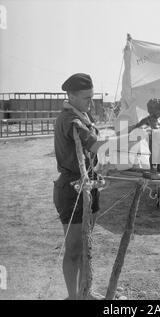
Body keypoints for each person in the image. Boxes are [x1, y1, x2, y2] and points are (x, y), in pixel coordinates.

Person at [53, 73, 108, 300]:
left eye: (92, 97)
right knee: (74, 249)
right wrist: (130, 140)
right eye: (87, 98)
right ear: (71, 96)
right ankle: (73, 297)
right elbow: (95, 146)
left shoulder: (83, 115)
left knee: (87, 245)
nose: (91, 102)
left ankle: (85, 292)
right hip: (72, 188)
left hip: (89, 184)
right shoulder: (70, 120)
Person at [130, 98, 160, 173]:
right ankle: (153, 169)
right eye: (159, 110)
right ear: (152, 110)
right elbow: (137, 126)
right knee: (154, 155)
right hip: (153, 140)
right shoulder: (147, 120)